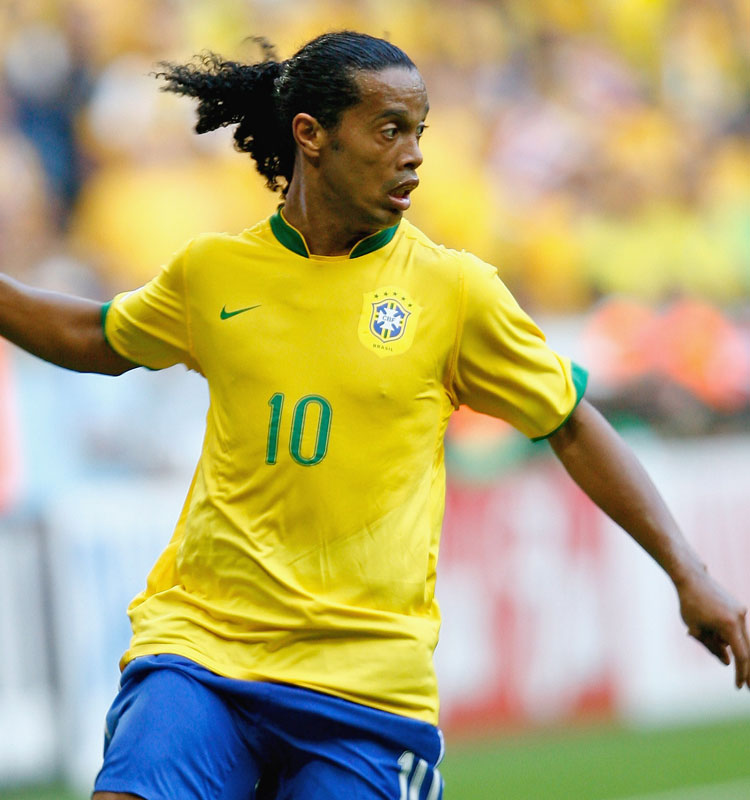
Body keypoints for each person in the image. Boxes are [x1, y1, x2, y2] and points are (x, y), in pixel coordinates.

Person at [0, 31, 748, 800]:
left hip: (363, 687)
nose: (413, 155)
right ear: (311, 135)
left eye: (419, 131)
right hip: (205, 650)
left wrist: (689, 574)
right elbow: (92, 337)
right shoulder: (214, 272)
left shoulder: (454, 291)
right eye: (389, 129)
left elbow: (571, 422)